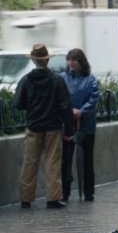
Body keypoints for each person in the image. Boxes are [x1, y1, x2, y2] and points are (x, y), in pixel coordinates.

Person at [14, 44, 76, 209]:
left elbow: (18, 103)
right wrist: (70, 129)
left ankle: (25, 199)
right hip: (52, 127)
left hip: (33, 126)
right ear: (47, 60)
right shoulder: (56, 80)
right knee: (52, 162)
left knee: (29, 162)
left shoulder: (26, 80)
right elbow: (65, 106)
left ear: (34, 61)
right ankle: (53, 199)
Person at [61, 48, 100, 202]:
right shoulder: (62, 78)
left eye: (74, 60)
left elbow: (94, 99)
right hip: (67, 125)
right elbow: (59, 98)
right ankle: (65, 192)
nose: (70, 63)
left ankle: (88, 192)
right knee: (66, 160)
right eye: (69, 59)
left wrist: (81, 111)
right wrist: (69, 111)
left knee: (87, 160)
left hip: (86, 126)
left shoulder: (90, 80)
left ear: (81, 62)